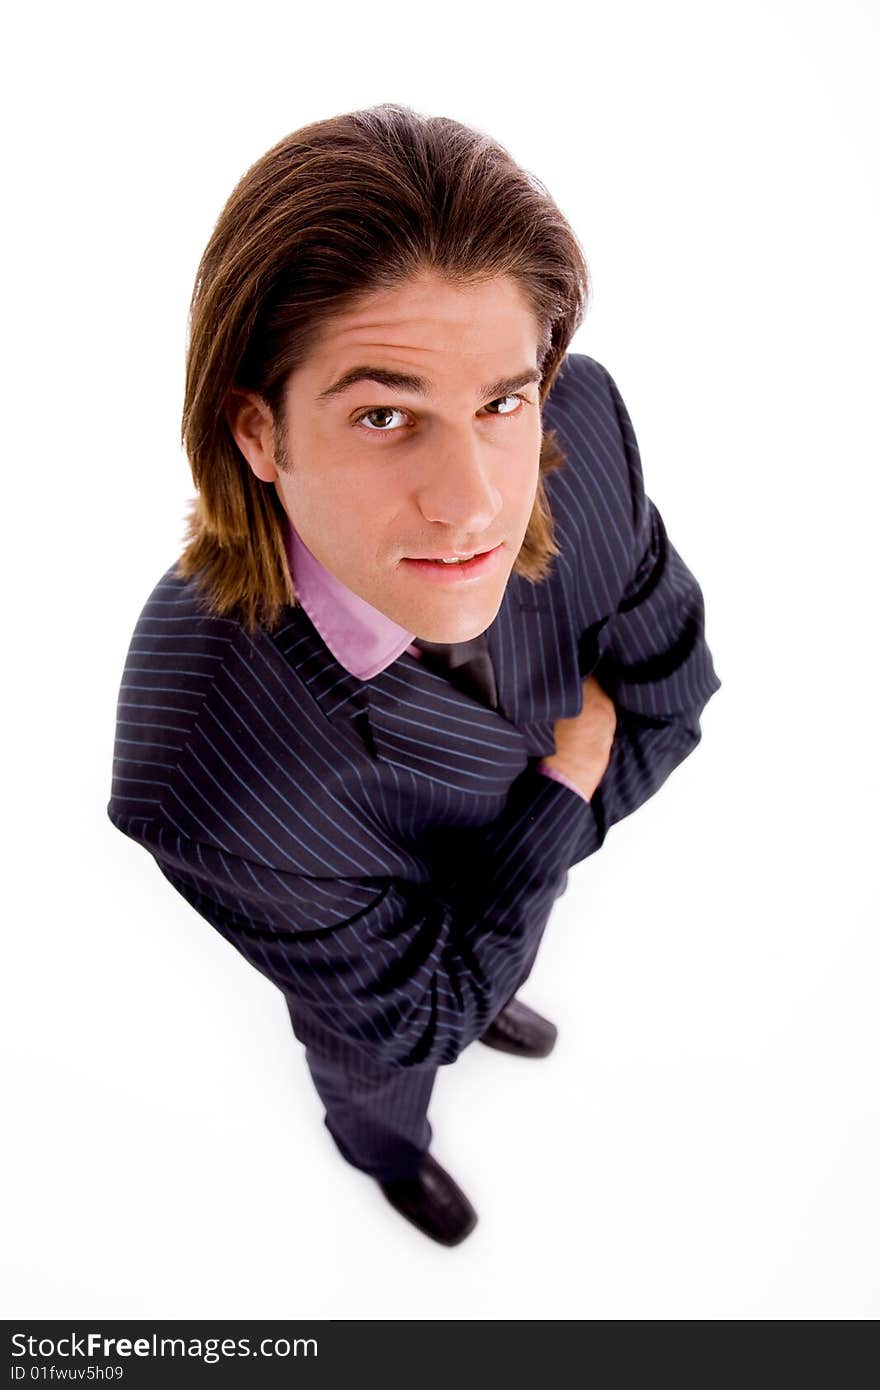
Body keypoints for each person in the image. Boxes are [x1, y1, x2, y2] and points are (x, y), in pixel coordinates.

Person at [107, 102, 722, 1247]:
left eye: (500, 402)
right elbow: (418, 1009)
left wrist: (493, 908)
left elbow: (672, 702)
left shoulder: (577, 431)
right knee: (381, 1076)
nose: (475, 502)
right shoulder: (196, 765)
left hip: (452, 908)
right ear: (256, 432)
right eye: (385, 413)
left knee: (477, 964)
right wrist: (558, 792)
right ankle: (382, 1159)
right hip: (390, 1000)